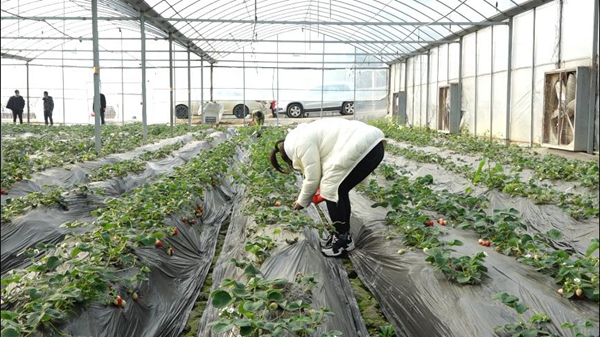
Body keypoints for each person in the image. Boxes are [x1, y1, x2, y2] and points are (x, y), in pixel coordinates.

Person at [269, 118, 385, 257]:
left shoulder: (300, 144)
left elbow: (313, 178)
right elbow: (321, 168)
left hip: (363, 146)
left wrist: (301, 202)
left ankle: (342, 240)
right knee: (339, 190)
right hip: (374, 145)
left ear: (289, 157)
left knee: (330, 189)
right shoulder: (302, 135)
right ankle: (342, 234)